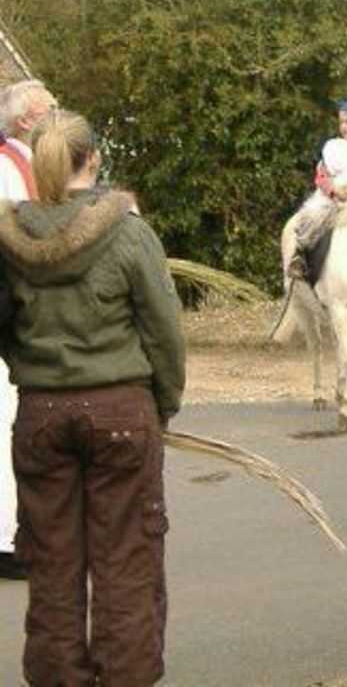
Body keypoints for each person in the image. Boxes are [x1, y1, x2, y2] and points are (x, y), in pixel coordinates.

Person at [0, 110, 185, 686]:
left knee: (51, 565)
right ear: (94, 159)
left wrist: (29, 368)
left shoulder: (10, 239)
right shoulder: (130, 234)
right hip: (121, 411)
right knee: (125, 562)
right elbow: (163, 330)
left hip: (40, 413)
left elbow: (2, 325)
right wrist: (164, 401)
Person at [0, 79, 57, 581]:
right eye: (50, 109)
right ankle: (6, 540)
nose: (57, 117)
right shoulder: (5, 167)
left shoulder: (30, 166)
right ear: (25, 120)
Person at [287, 96, 347, 280]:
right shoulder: (334, 147)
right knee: (313, 217)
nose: (344, 127)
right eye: (341, 122)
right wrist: (334, 191)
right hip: (333, 200)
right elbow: (322, 175)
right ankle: (300, 257)